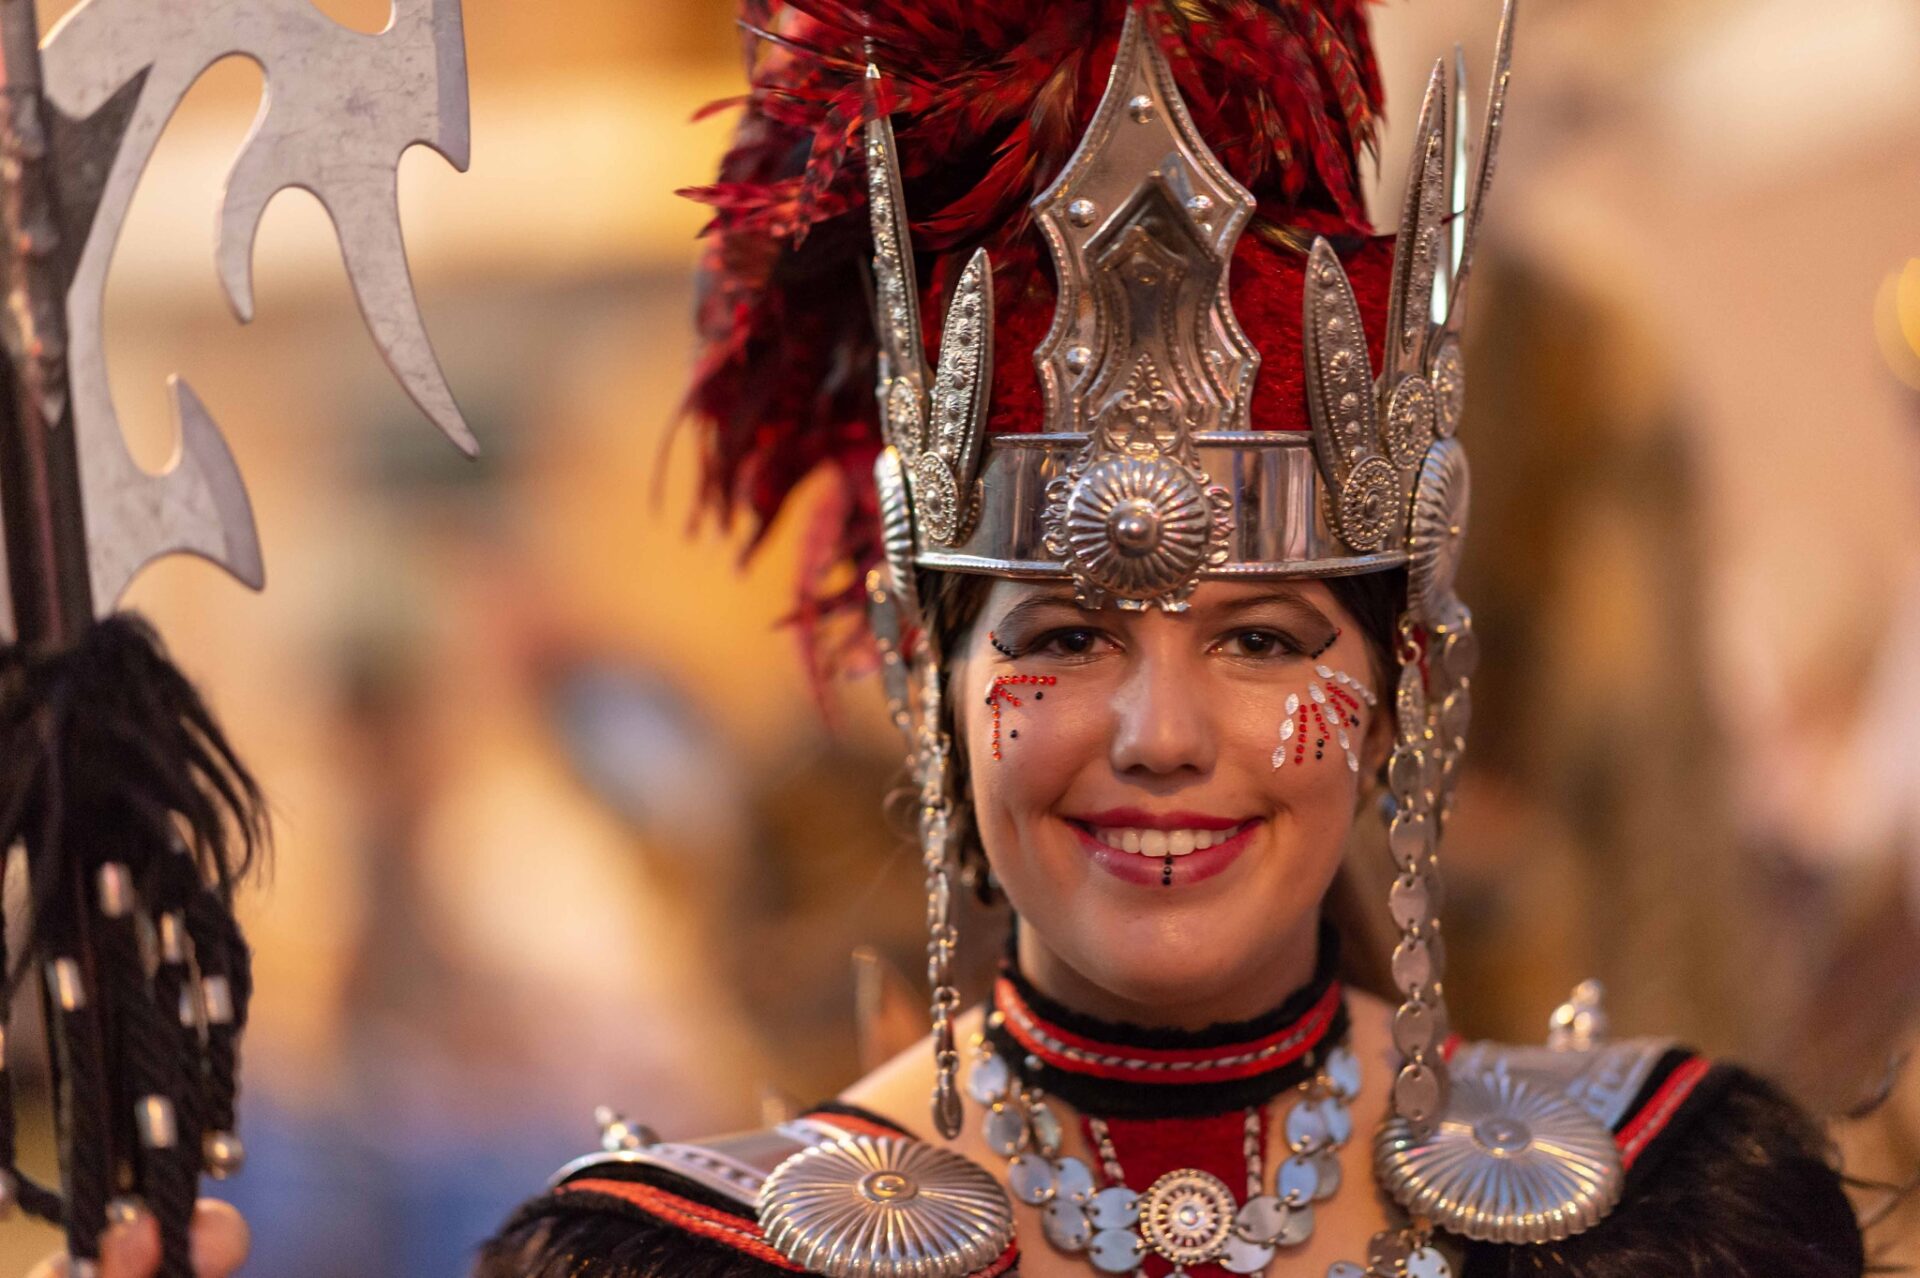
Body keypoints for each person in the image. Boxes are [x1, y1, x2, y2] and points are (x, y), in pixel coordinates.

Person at [476, 1, 1868, 1276]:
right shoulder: (686, 1257)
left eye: (1260, 642)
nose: (1161, 737)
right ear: (927, 685)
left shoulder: (1675, 1216)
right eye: (1069, 638)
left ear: (1403, 685)